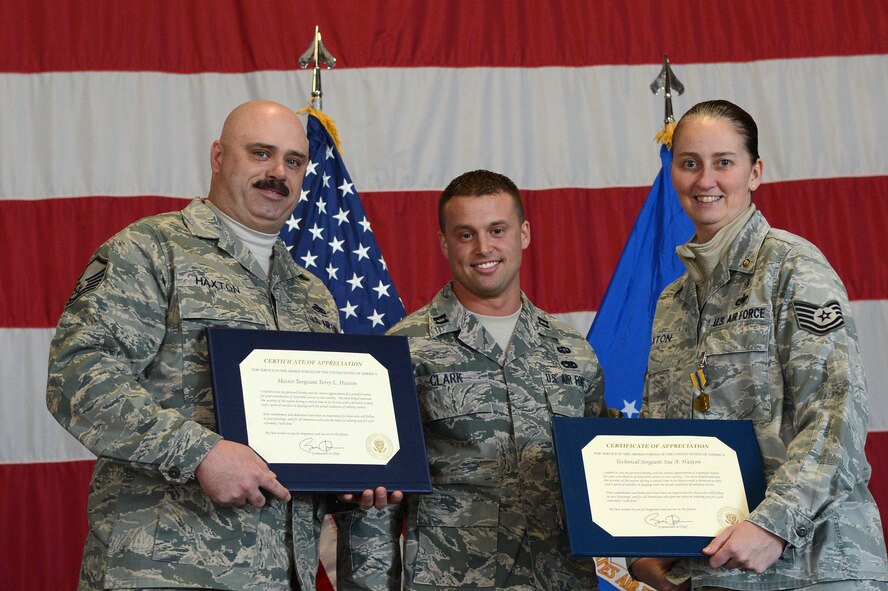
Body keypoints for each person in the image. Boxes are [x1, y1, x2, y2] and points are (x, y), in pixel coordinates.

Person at [46, 100, 397, 591]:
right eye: (260, 153)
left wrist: (352, 475)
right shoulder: (149, 250)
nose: (278, 173)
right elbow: (78, 376)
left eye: (293, 162)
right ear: (218, 157)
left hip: (280, 575)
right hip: (165, 570)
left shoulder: (311, 294)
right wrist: (201, 453)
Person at [629, 100, 888, 591]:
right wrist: (653, 542)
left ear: (755, 173)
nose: (706, 180)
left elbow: (839, 416)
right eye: (690, 163)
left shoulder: (794, 268)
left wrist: (774, 524)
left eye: (724, 162)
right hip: (717, 572)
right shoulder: (674, 301)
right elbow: (667, 442)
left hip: (816, 568)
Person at [336, 169, 606, 590]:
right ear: (445, 243)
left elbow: (600, 473)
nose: (484, 248)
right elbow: (375, 502)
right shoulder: (402, 349)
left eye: (497, 230)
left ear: (524, 233)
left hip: (561, 579)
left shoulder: (574, 351)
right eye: (466, 234)